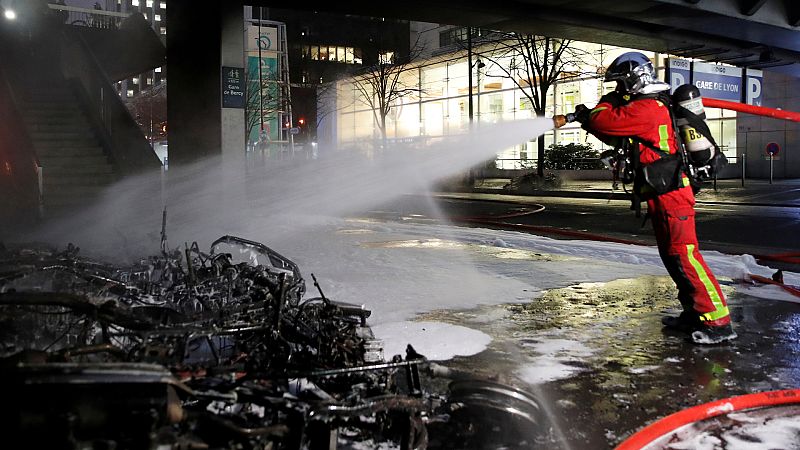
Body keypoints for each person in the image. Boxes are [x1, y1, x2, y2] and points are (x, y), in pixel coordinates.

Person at [554, 52, 736, 345]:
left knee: (685, 255)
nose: (618, 91)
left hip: (672, 194)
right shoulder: (645, 108)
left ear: (633, 80)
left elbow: (605, 121)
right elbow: (615, 135)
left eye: (620, 85)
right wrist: (588, 118)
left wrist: (599, 109)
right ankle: (694, 313)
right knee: (673, 255)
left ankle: (718, 320)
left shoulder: (648, 108)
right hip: (662, 192)